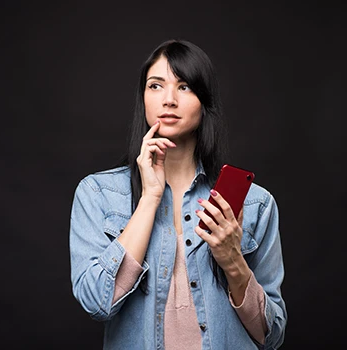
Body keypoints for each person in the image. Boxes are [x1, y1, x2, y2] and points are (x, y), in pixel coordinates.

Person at [69, 39, 287, 350]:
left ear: (204, 100)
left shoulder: (255, 204)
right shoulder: (98, 194)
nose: (168, 99)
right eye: (155, 86)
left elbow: (273, 335)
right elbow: (95, 302)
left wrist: (233, 262)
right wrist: (149, 199)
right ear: (143, 97)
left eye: (184, 87)